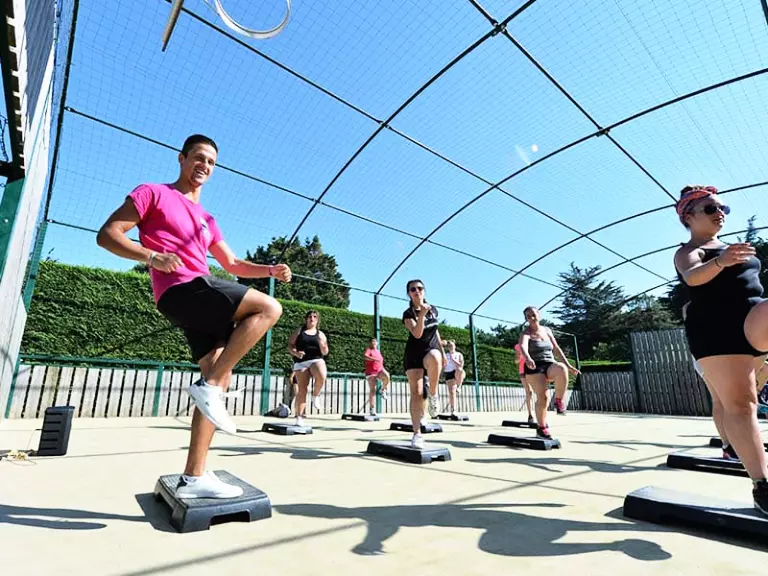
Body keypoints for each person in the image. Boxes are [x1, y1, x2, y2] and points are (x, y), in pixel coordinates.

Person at [96, 134, 291, 499]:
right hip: (182, 288)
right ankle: (209, 387)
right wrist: (152, 256)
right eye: (199, 157)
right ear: (182, 158)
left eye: (211, 162)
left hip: (197, 298)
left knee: (218, 375)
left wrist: (269, 270)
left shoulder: (207, 219)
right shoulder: (153, 193)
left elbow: (232, 264)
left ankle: (194, 477)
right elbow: (107, 235)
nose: (205, 165)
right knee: (269, 308)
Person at [674, 185, 768, 513]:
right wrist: (720, 262)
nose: (720, 214)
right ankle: (762, 485)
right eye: (711, 209)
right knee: (741, 406)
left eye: (723, 208)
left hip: (752, 318)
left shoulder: (732, 248)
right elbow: (691, 277)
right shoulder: (689, 251)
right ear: (688, 217)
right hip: (717, 330)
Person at [684, 302, 738, 460]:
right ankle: (729, 445)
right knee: (722, 400)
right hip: (710, 354)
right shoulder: (696, 305)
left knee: (724, 400)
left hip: (709, 354)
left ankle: (731, 444)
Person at [519, 306, 579, 439]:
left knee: (562, 368)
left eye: (533, 314)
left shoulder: (547, 330)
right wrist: (527, 358)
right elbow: (523, 346)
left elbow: (556, 348)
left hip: (549, 364)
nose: (532, 318)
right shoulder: (526, 333)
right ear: (526, 319)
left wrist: (569, 365)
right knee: (543, 398)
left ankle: (558, 401)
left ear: (538, 315)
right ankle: (541, 428)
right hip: (534, 367)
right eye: (528, 316)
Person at [402, 279, 446, 448]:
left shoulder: (433, 309)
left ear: (424, 291)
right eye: (413, 289)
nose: (417, 291)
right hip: (414, 354)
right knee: (417, 392)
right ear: (409, 294)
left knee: (435, 356)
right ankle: (416, 434)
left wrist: (443, 353)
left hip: (430, 351)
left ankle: (434, 394)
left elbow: (436, 331)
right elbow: (417, 334)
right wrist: (421, 315)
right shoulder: (408, 314)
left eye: (420, 288)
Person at [288, 310, 329, 427]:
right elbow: (290, 345)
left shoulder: (320, 334)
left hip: (316, 360)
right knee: (302, 390)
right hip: (301, 362)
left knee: (322, 375)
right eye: (310, 316)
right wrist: (296, 353)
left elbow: (325, 352)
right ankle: (299, 417)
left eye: (315, 317)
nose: (312, 318)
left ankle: (316, 395)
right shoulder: (299, 331)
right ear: (306, 319)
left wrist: (323, 346)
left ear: (317, 320)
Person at [364, 338, 390, 416]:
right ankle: (372, 409)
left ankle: (383, 390)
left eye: (375, 341)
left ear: (377, 343)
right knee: (373, 390)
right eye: (372, 341)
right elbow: (365, 356)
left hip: (379, 370)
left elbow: (380, 361)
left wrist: (382, 369)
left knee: (387, 376)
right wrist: (374, 359)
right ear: (370, 343)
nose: (374, 343)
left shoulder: (378, 351)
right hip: (371, 372)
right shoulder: (369, 350)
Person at [443, 340, 465, 416]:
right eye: (449, 346)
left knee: (460, 370)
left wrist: (453, 360)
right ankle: (453, 410)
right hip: (448, 373)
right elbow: (443, 365)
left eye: (452, 345)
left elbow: (461, 365)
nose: (451, 347)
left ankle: (459, 386)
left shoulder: (459, 354)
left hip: (456, 372)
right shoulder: (445, 355)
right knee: (452, 392)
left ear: (455, 346)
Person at [514, 342, 534, 424]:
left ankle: (540, 414)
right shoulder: (518, 346)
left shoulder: (534, 344)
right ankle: (530, 415)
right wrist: (520, 356)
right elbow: (516, 361)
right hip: (523, 371)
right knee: (529, 392)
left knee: (540, 391)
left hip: (534, 370)